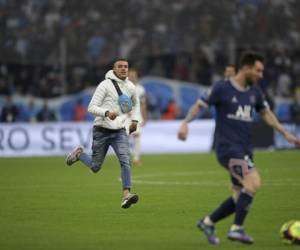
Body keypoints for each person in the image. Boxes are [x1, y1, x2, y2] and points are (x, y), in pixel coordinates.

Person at [177, 51, 300, 245]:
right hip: (228, 148)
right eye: (258, 70)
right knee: (253, 182)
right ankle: (237, 229)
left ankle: (208, 222)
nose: (261, 75)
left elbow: (267, 114)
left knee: (239, 196)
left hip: (244, 148)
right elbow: (199, 105)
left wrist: (285, 133)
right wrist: (185, 123)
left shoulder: (255, 92)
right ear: (246, 68)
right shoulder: (222, 88)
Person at [65, 58, 140, 209]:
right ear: (114, 69)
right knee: (95, 166)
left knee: (126, 160)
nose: (124, 69)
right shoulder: (104, 85)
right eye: (120, 66)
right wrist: (106, 112)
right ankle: (79, 154)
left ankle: (126, 195)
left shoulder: (131, 87)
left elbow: (136, 104)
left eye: (126, 66)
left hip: (119, 130)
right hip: (101, 130)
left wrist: (135, 121)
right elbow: (91, 107)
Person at [127, 68, 147, 167]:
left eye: (134, 76)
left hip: (137, 116)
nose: (132, 77)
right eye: (130, 75)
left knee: (137, 137)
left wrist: (144, 117)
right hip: (125, 117)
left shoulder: (140, 89)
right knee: (123, 139)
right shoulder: (122, 88)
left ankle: (136, 159)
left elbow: (143, 104)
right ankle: (125, 159)